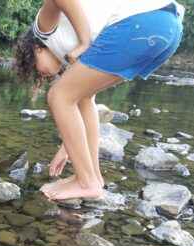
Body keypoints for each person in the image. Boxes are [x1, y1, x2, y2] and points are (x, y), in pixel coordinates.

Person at [14, 0, 184, 200]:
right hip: (168, 27)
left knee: (58, 95)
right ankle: (92, 177)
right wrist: (68, 147)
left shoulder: (42, 29)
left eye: (36, 71)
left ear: (37, 49)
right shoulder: (68, 50)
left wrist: (85, 41)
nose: (42, 76)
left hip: (141, 24)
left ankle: (85, 182)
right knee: (83, 97)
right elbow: (84, 104)